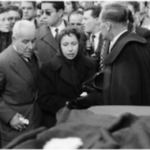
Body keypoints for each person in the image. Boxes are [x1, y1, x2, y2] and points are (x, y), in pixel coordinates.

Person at [67, 3, 150, 109]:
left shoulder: (127, 49)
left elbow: (124, 95)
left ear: (107, 25)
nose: (99, 27)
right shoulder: (130, 43)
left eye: (100, 23)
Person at [38, 27, 96, 128]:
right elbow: (45, 99)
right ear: (59, 46)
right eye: (65, 45)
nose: (70, 49)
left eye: (74, 44)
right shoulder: (48, 68)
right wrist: (69, 103)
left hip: (86, 119)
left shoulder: (90, 64)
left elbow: (96, 92)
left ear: (79, 44)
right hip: (59, 121)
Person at [0, 20, 41, 146]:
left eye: (33, 41)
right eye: (25, 42)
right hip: (15, 129)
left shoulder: (36, 56)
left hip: (36, 123)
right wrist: (10, 117)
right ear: (14, 39)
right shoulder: (3, 62)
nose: (31, 46)